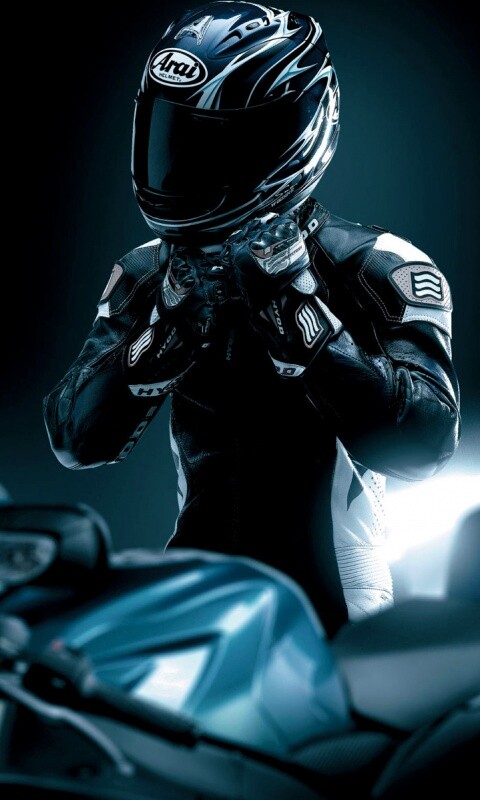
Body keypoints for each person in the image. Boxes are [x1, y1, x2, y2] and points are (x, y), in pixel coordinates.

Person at [43, 2, 460, 635]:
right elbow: (74, 438)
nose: (178, 165)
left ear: (287, 137)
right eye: (170, 133)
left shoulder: (378, 266)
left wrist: (307, 326)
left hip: (336, 607)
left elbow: (426, 444)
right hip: (197, 604)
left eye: (208, 144)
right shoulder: (147, 271)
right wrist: (162, 338)